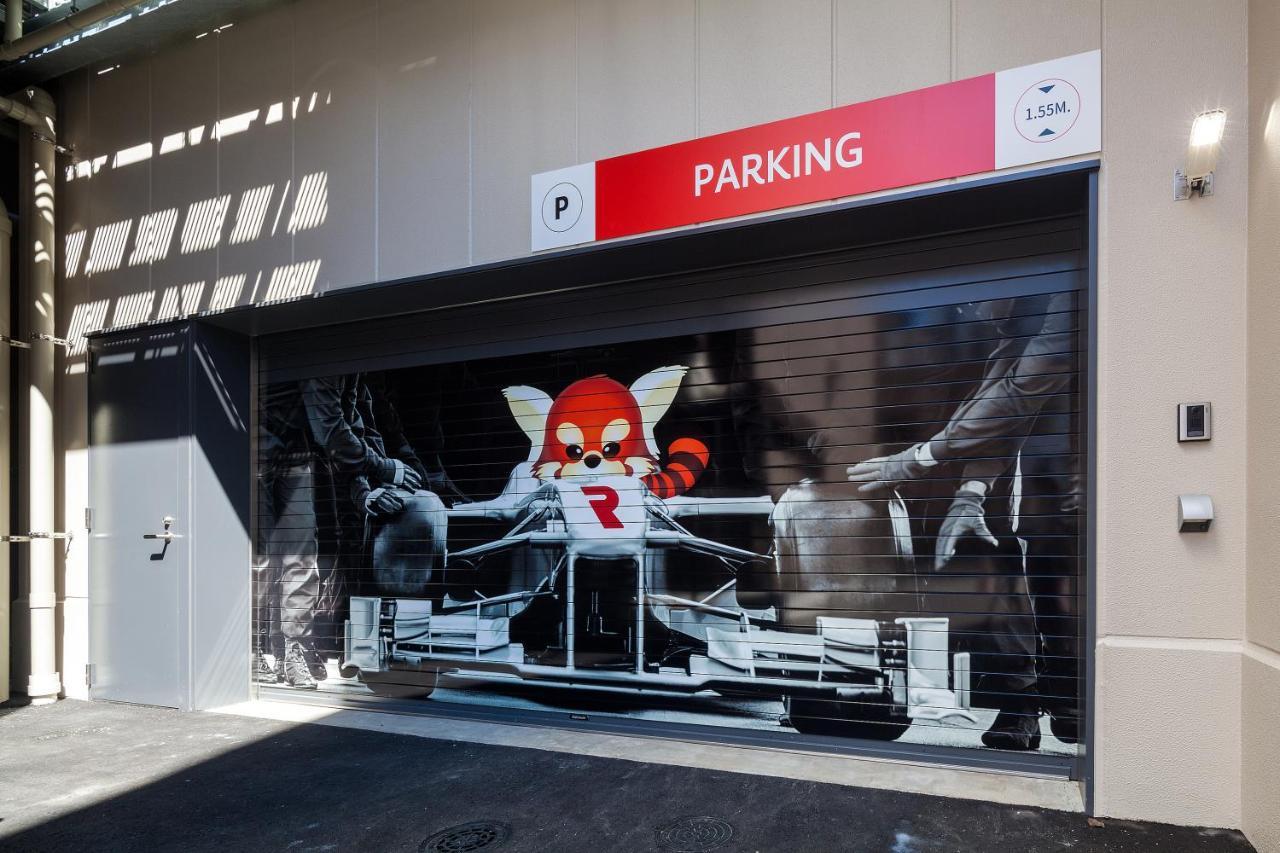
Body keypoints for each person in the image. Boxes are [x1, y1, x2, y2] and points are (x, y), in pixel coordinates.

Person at [847, 292, 1078, 749]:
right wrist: (972, 492)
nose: (969, 314)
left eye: (973, 303)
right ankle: (1028, 701)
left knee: (1064, 562)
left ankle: (1071, 696)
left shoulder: (1062, 303)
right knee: (1010, 558)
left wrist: (922, 457)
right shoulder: (1014, 329)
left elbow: (1024, 387)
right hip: (1024, 469)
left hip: (1086, 457)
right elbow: (1002, 403)